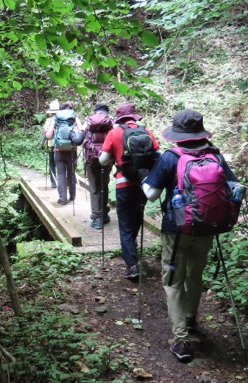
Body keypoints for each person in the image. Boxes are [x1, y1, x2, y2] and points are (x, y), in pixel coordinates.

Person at [142, 109, 239, 363]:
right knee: (194, 275)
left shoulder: (170, 157)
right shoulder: (215, 155)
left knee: (173, 281)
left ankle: (180, 339)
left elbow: (151, 195)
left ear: (177, 133)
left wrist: (144, 179)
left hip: (177, 230)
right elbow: (233, 187)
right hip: (208, 226)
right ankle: (191, 319)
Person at [99, 103, 159, 280]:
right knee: (136, 218)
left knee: (124, 225)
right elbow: (158, 154)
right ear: (135, 116)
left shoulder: (114, 133)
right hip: (143, 183)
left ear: (119, 117)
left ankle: (132, 265)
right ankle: (131, 250)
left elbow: (102, 160)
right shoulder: (146, 131)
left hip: (123, 184)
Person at [45, 101, 83, 205]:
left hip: (58, 151)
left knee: (61, 174)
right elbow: (82, 131)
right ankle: (72, 195)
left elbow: (48, 135)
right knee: (71, 173)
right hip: (72, 150)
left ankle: (63, 199)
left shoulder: (55, 118)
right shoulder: (74, 117)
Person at [82, 103, 113, 229]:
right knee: (104, 184)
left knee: (94, 187)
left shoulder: (88, 121)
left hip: (91, 158)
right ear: (106, 111)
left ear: (95, 111)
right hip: (107, 158)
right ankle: (104, 214)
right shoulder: (111, 121)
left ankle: (97, 218)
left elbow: (79, 139)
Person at [41, 100, 59, 188]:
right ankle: (62, 181)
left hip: (51, 143)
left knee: (52, 162)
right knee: (60, 162)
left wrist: (41, 144)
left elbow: (46, 133)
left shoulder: (49, 120)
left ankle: (53, 182)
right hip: (61, 144)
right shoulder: (63, 119)